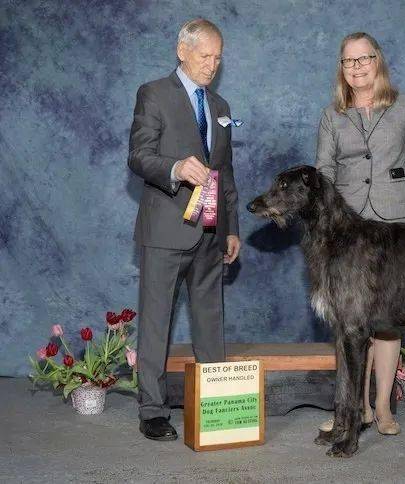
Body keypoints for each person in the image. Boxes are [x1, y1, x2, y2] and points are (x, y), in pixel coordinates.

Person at [315, 32, 405, 435]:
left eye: (363, 59)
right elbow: (323, 173)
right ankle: (355, 409)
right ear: (342, 68)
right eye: (348, 61)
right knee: (350, 322)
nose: (356, 67)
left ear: (377, 61)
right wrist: (330, 215)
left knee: (387, 322)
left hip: (398, 222)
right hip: (348, 227)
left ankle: (384, 407)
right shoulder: (332, 115)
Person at [128, 18, 240, 441]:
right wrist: (174, 168)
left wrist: (231, 228)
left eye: (218, 57)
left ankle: (217, 404)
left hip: (211, 231)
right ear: (182, 51)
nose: (212, 65)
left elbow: (224, 172)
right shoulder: (153, 94)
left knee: (211, 319)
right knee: (156, 322)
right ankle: (153, 410)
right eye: (204, 55)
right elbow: (138, 156)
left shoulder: (222, 106)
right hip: (165, 230)